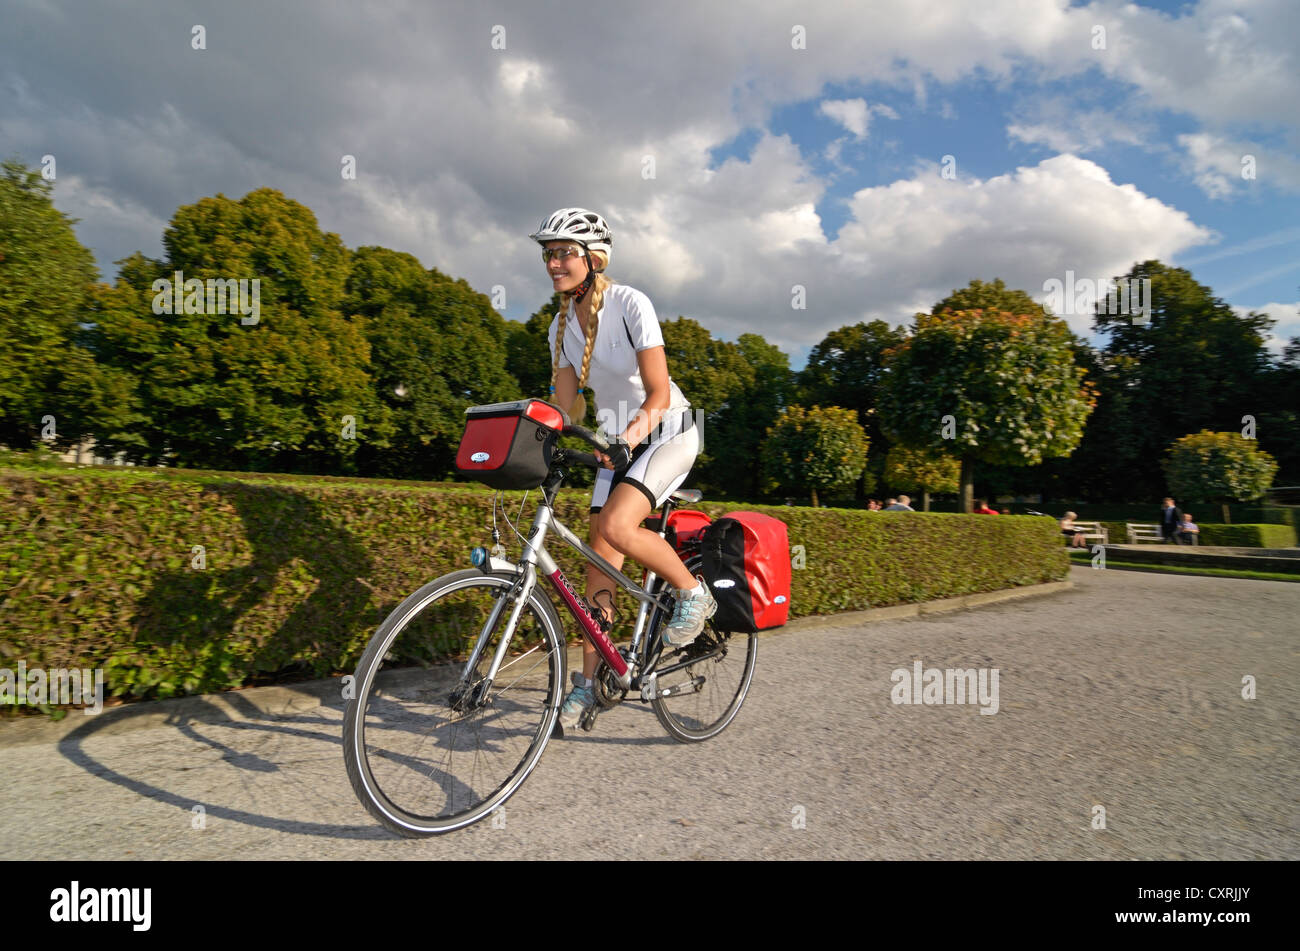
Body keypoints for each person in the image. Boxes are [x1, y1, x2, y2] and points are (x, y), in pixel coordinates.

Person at [531, 207, 713, 730]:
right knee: (598, 565)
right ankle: (591, 684)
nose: (553, 262)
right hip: (618, 444)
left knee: (615, 525)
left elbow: (658, 392)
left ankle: (692, 594)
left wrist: (628, 439)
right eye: (548, 254)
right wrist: (539, 433)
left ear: (593, 258)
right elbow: (569, 411)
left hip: (665, 431)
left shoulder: (631, 303)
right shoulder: (558, 327)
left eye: (564, 252)